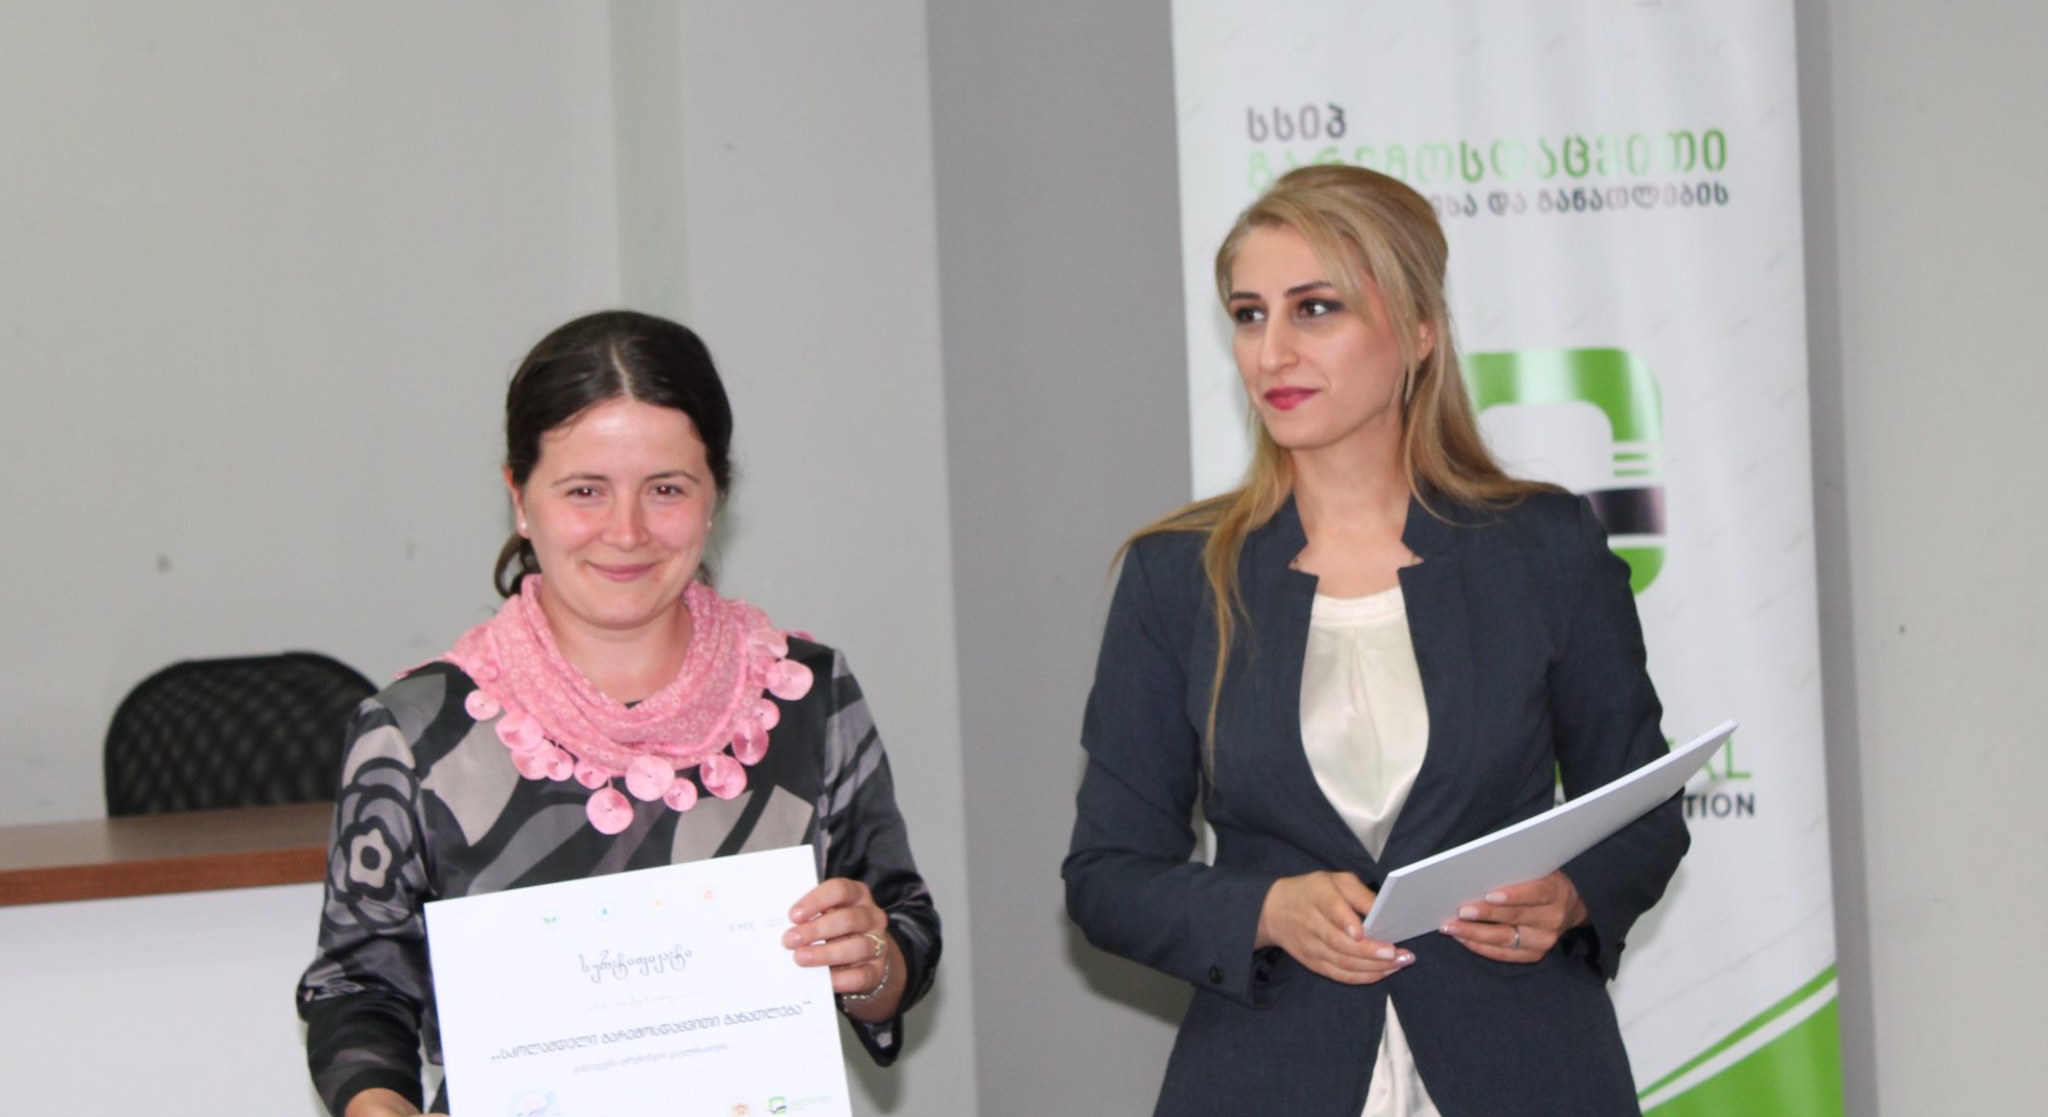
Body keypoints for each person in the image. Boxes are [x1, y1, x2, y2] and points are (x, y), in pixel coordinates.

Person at [1063, 166, 1688, 1117]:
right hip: (1268, 1077)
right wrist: (1263, 909)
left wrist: (1571, 894)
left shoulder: (1542, 547)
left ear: (1419, 329)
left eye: (1315, 309)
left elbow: (1643, 809)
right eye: (1248, 314)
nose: (1272, 351)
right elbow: (1107, 875)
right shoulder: (1177, 575)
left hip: (1524, 1069)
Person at [298, 311, 940, 1117]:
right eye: (585, 490)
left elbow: (903, 927)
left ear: (715, 496)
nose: (627, 531)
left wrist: (872, 964)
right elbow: (356, 987)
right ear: (519, 497)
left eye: (666, 488)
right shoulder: (418, 731)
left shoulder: (808, 694)